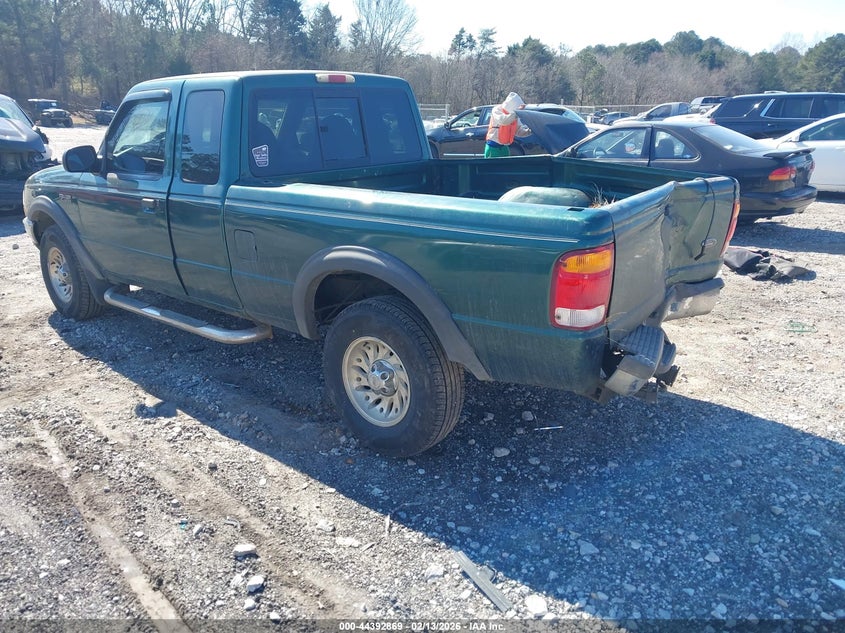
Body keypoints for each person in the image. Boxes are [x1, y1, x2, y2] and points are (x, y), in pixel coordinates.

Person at [484, 92, 531, 157]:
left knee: (506, 166)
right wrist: (515, 114)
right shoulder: (497, 110)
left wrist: (530, 131)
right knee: (492, 167)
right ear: (512, 106)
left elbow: (519, 131)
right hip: (493, 147)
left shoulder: (514, 116)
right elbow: (503, 121)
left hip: (504, 147)